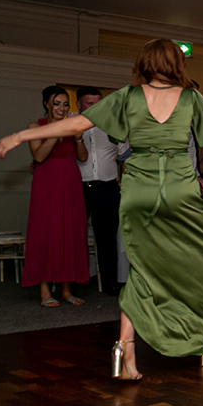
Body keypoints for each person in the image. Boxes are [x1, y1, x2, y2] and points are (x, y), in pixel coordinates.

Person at [0, 39, 203, 379]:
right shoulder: (190, 98)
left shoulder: (129, 97)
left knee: (142, 268)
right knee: (198, 261)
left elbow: (77, 125)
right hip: (178, 190)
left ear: (144, 63)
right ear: (177, 64)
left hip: (139, 190)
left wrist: (17, 137)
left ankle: (125, 349)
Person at [19, 86, 90, 307]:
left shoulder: (72, 126)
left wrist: (78, 138)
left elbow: (83, 157)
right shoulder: (35, 126)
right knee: (46, 233)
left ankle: (66, 290)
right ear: (46, 104)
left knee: (69, 233)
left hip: (70, 183)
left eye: (65, 104)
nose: (62, 107)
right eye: (57, 103)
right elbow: (39, 156)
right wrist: (58, 131)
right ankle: (44, 291)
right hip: (46, 185)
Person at [77, 86, 128, 296]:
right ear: (79, 104)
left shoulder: (114, 126)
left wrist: (125, 182)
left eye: (99, 103)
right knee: (74, 235)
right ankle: (72, 282)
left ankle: (110, 283)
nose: (95, 107)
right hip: (77, 187)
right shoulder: (70, 126)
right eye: (90, 103)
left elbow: (126, 157)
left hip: (107, 187)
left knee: (107, 239)